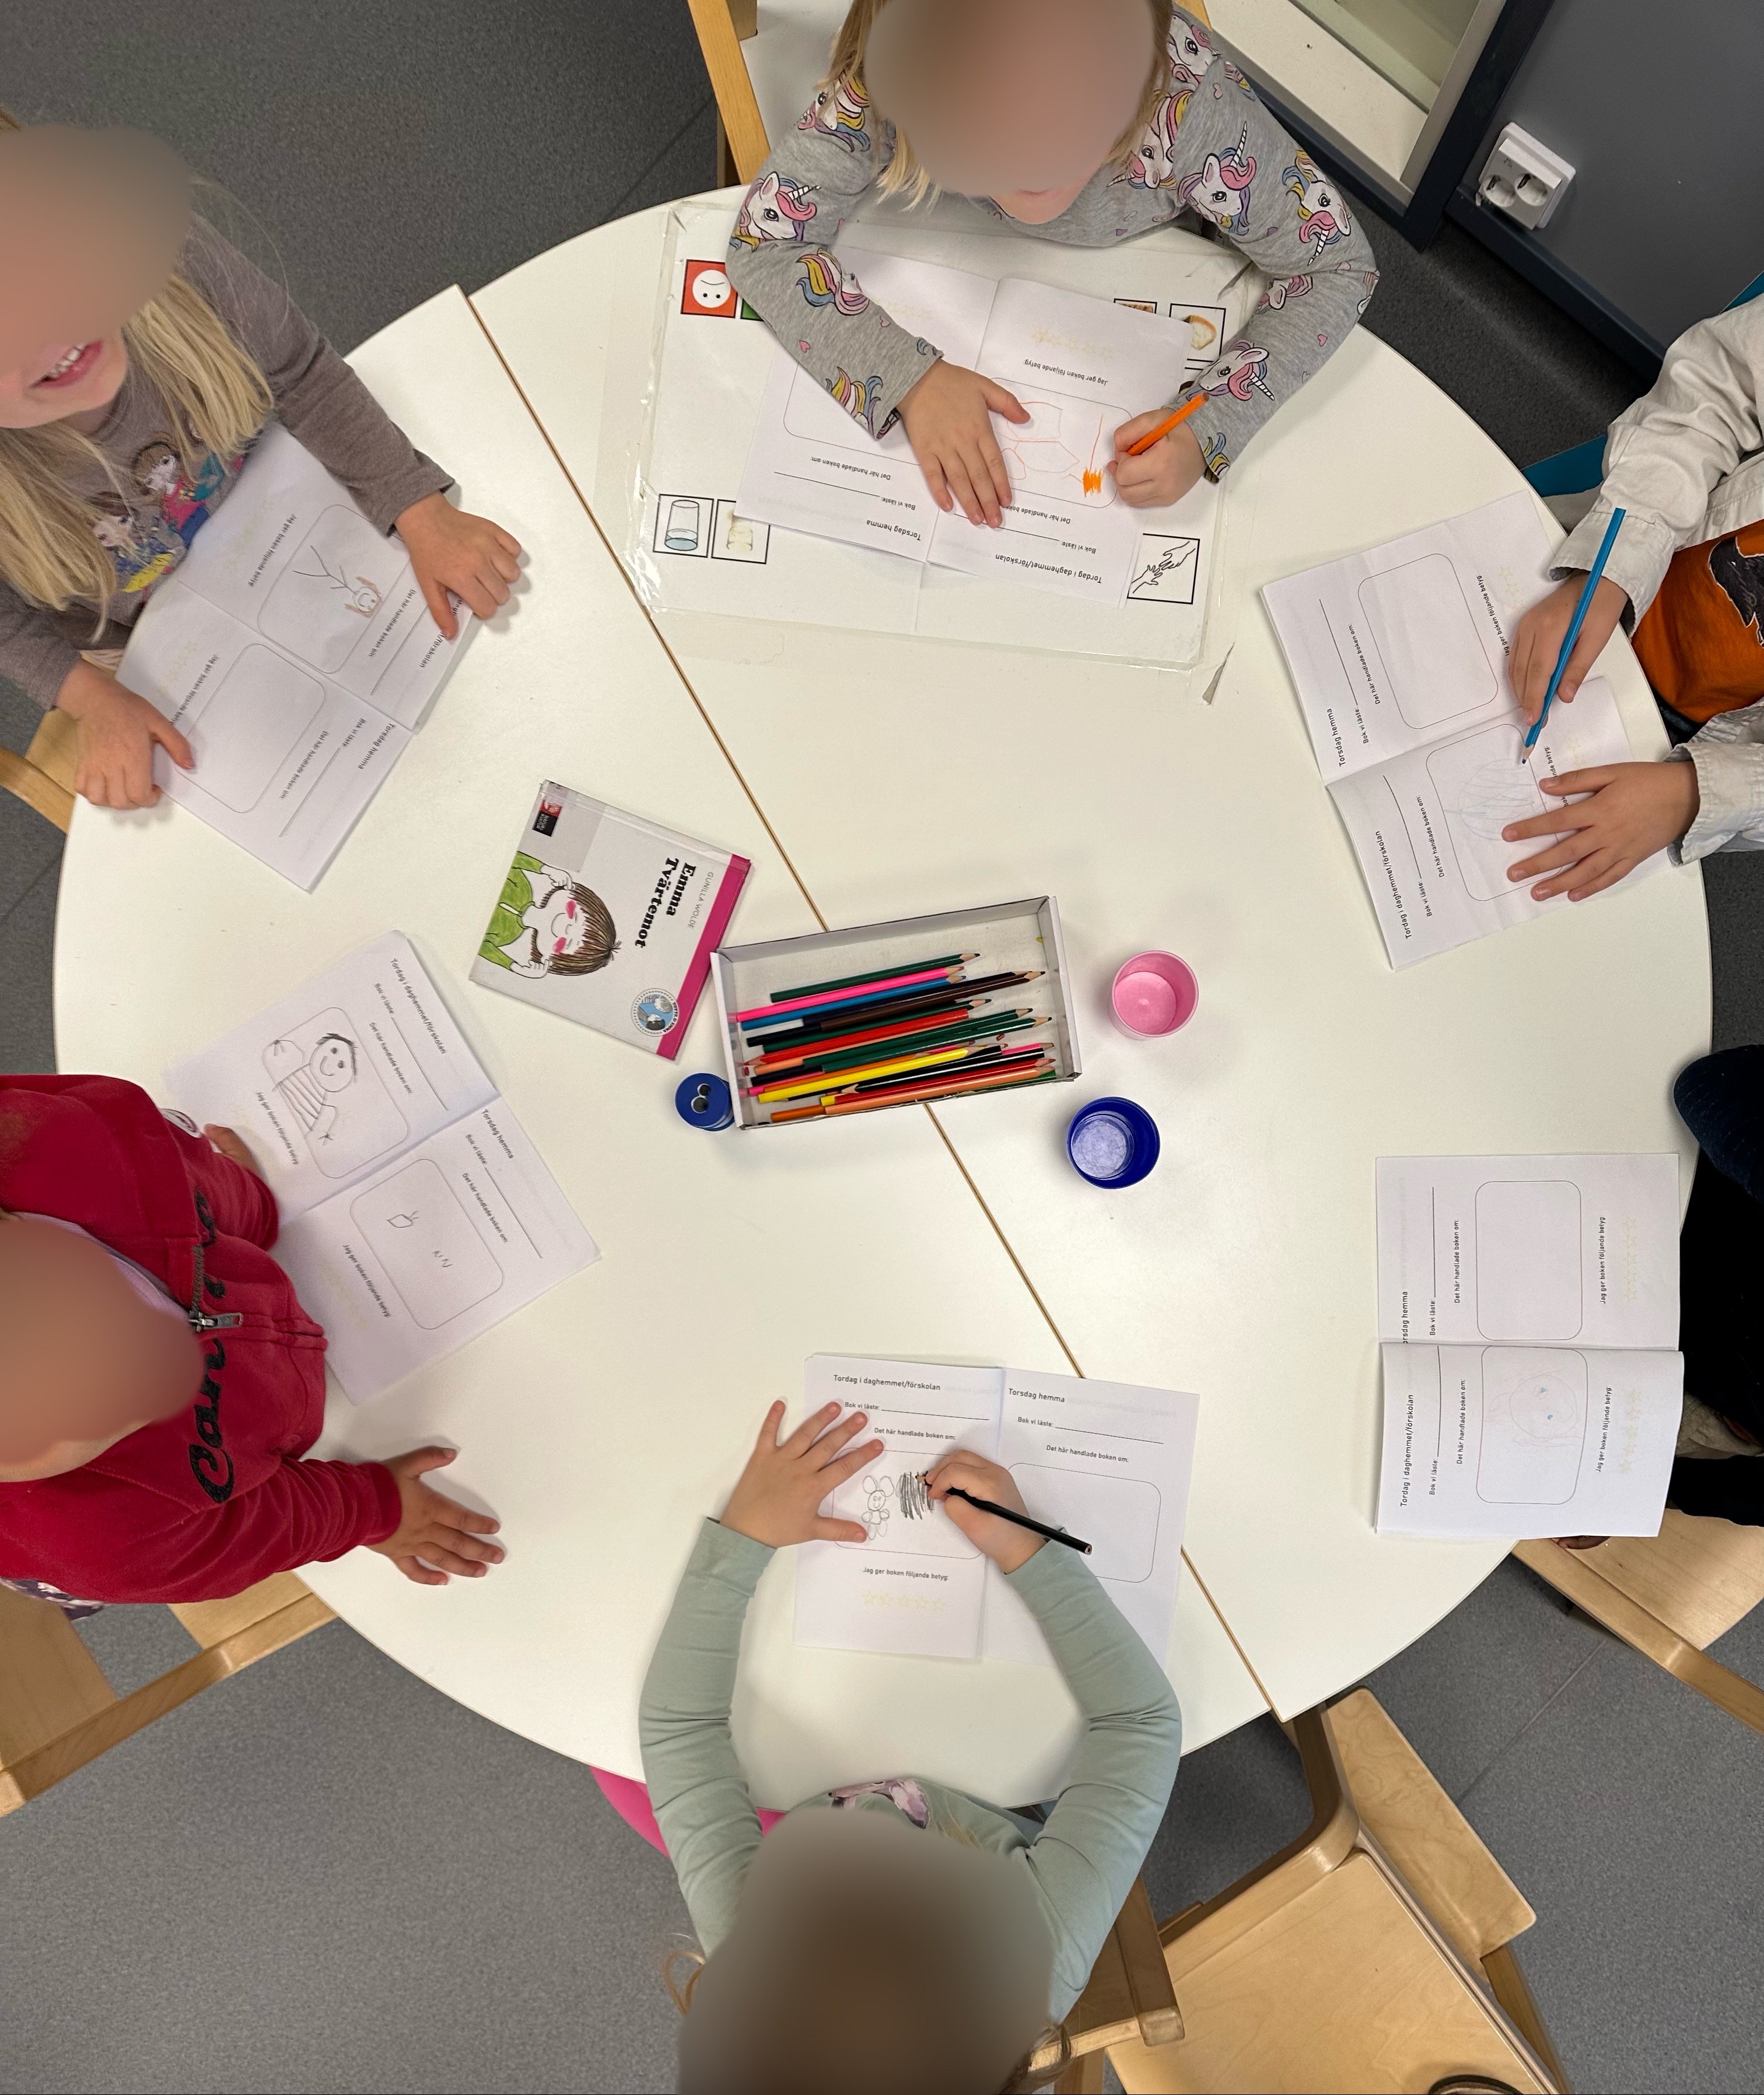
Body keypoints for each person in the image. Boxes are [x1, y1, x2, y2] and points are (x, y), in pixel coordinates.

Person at [640, 1400, 1183, 2092]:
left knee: (630, 1781)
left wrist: (744, 1537)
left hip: (820, 1776)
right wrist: (1026, 1544)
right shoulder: (1037, 1949)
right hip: (1010, 1796)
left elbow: (680, 1727)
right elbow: (1140, 1720)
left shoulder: (751, 1941)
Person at [0, 108, 523, 810]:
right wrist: (93, 700)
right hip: (147, 638)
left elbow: (300, 372)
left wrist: (415, 504)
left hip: (293, 508)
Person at [725, 0, 1377, 530]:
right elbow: (765, 240)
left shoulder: (1191, 108)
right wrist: (908, 380)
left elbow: (1338, 267)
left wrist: (1206, 425)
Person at [0, 1073, 505, 1610]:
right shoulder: (103, 1544)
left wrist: (252, 1206)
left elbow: (179, 1181)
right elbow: (260, 1527)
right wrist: (371, 1510)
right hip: (304, 1432)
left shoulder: (65, 1145)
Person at [1503, 299, 1764, 902]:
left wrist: (1694, 794)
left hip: (1699, 745)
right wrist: (1610, 569)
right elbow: (1720, 383)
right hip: (1614, 582)